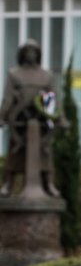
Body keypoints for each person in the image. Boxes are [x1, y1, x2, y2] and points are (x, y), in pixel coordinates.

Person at [0, 40, 63, 198]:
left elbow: (54, 100)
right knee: (15, 153)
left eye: (33, 51)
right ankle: (9, 183)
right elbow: (7, 99)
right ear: (21, 54)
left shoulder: (46, 76)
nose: (30, 54)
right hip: (20, 124)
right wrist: (2, 116)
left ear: (38, 54)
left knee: (45, 152)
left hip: (41, 125)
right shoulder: (14, 74)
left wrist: (60, 118)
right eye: (27, 51)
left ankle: (48, 183)